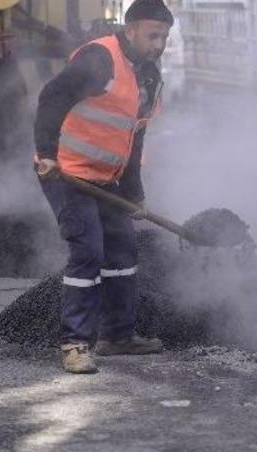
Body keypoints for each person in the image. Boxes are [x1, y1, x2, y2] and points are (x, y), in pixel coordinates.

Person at [32, 0, 173, 374]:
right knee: (89, 251)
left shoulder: (149, 76)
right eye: (152, 35)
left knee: (123, 251)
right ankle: (75, 344)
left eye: (164, 36)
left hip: (106, 178)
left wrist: (135, 193)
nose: (159, 44)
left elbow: (133, 139)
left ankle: (117, 335)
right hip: (66, 172)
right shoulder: (100, 59)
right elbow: (52, 97)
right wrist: (46, 153)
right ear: (130, 31)